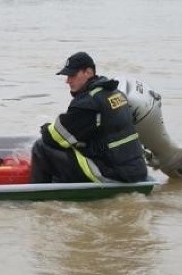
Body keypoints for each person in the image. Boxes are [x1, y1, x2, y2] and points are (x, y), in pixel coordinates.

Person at [30, 51, 148, 184]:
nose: (67, 81)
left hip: (114, 174)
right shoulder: (115, 93)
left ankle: (37, 198)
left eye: (72, 75)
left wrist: (45, 128)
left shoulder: (88, 103)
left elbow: (54, 137)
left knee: (41, 147)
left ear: (88, 72)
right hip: (135, 170)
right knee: (70, 146)